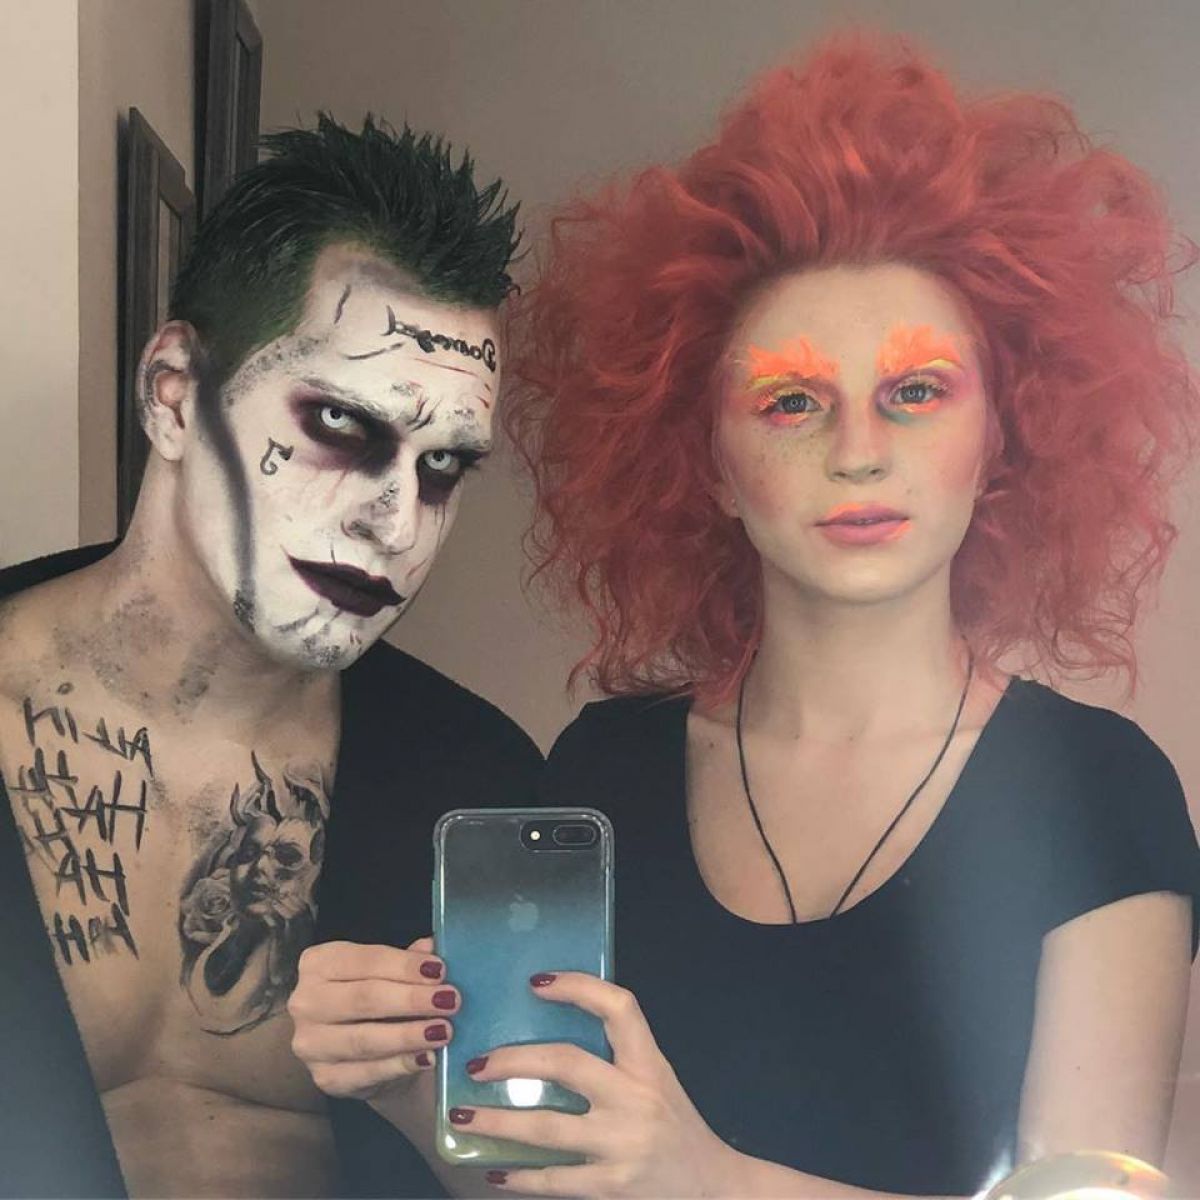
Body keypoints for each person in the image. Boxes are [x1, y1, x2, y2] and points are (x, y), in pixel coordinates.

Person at [289, 34, 1200, 1200]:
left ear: (1000, 438)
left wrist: (705, 1177)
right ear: (707, 461)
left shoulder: (1097, 794)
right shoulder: (605, 770)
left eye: (917, 392)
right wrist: (403, 1086)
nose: (859, 451)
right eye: (791, 401)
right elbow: (536, 1180)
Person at [0, 115, 540, 1198]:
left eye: (442, 467)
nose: (398, 522)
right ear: (173, 393)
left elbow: (532, 1177)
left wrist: (430, 1107)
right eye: (342, 423)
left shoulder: (474, 781)